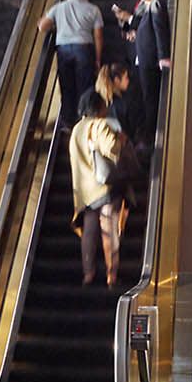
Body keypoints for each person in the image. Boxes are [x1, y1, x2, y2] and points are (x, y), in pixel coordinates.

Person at [70, 89, 131, 287]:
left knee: (89, 232)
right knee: (109, 228)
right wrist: (121, 140)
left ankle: (88, 274)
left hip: (84, 192)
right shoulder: (99, 125)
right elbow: (111, 148)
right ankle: (111, 276)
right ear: (98, 106)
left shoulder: (76, 130)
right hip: (104, 187)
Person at [38, 0, 103, 122]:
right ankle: (84, 119)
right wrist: (98, 59)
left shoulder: (58, 7)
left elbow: (42, 27)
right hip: (84, 49)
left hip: (63, 50)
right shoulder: (93, 9)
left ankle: (67, 121)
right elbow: (98, 36)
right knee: (85, 86)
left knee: (67, 87)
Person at [114, 0, 171, 108]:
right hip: (144, 58)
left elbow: (160, 30)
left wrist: (163, 56)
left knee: (150, 97)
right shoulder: (147, 6)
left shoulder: (155, 4)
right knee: (146, 97)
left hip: (150, 59)